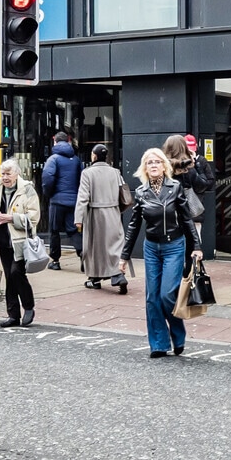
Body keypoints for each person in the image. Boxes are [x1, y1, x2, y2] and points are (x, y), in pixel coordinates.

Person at [122, 147, 203, 357]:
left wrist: (197, 247)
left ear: (164, 166)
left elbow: (186, 219)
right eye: (150, 163)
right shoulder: (140, 192)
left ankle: (178, 335)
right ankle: (159, 344)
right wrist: (124, 256)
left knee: (167, 294)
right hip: (151, 248)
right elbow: (133, 225)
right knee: (152, 298)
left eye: (157, 162)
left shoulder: (175, 187)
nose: (154, 165)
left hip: (174, 246)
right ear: (145, 168)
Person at [0, 157, 41, 327]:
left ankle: (29, 307)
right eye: (3, 173)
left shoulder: (27, 190)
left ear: (17, 174)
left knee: (16, 272)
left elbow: (34, 218)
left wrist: (11, 218)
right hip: (1, 240)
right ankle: (13, 315)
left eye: (8, 174)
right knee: (9, 277)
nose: (5, 177)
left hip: (20, 242)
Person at [74, 142, 129, 293]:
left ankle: (96, 277)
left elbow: (83, 197)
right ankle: (118, 273)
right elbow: (124, 193)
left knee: (94, 247)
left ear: (95, 155)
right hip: (113, 211)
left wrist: (78, 218)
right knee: (115, 244)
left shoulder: (87, 173)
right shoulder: (115, 172)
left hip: (95, 214)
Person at [38, 132, 82, 270]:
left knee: (55, 230)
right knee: (73, 230)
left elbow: (47, 178)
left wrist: (48, 194)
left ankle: (55, 261)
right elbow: (82, 179)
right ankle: (84, 257)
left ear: (55, 142)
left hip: (57, 201)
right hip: (74, 200)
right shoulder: (76, 159)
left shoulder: (53, 159)